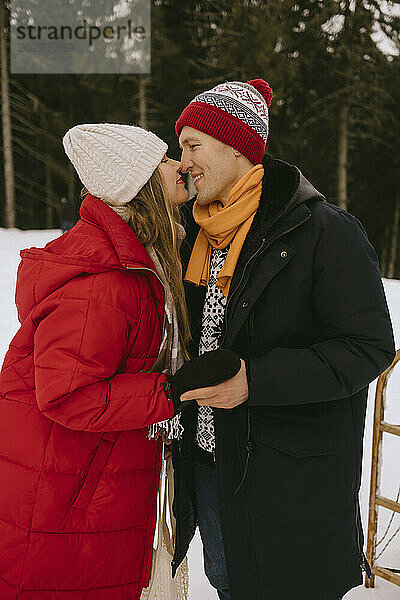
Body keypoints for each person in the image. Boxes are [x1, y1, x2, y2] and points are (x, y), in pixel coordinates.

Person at [170, 79, 396, 600]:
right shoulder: (196, 235)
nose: (181, 161)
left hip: (289, 486)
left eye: (191, 145)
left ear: (235, 145)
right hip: (211, 469)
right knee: (232, 585)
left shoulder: (325, 232)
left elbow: (367, 347)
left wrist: (256, 381)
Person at [0, 122, 239, 600]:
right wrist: (169, 391)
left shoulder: (136, 255)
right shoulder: (102, 283)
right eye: (165, 161)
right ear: (139, 184)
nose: (180, 165)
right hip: (68, 492)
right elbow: (68, 393)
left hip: (85, 477)